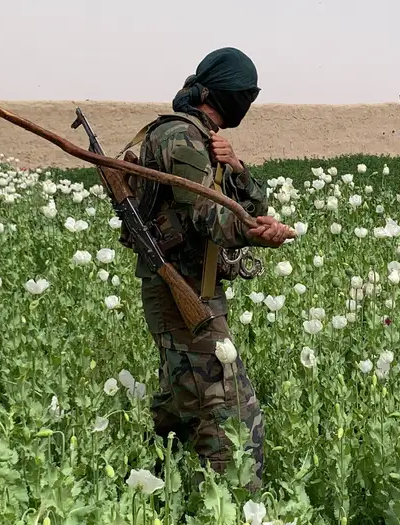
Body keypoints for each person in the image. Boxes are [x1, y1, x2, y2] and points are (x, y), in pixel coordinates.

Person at [122, 47, 294, 493]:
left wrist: (235, 167)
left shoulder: (201, 137)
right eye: (246, 95)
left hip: (194, 292)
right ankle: (234, 504)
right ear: (225, 94)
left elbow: (250, 203)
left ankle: (155, 491)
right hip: (179, 292)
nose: (247, 103)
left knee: (182, 405)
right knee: (233, 416)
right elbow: (206, 217)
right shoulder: (180, 137)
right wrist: (255, 233)